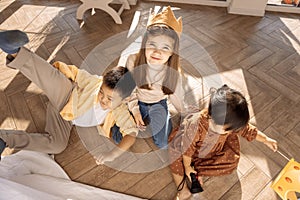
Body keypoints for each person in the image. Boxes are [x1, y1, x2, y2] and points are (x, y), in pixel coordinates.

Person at [0, 30, 137, 164]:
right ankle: (13, 50)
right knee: (54, 80)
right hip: (68, 96)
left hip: (66, 119)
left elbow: (131, 135)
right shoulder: (95, 82)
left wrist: (112, 155)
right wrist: (61, 72)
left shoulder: (120, 111)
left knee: (57, 146)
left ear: (124, 100)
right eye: (102, 92)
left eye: (110, 99)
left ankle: (4, 139)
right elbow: (78, 74)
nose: (103, 99)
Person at [168, 84, 278, 200]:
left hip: (212, 149)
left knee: (231, 162)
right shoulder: (195, 126)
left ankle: (197, 172)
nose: (232, 132)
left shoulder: (227, 123)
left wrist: (266, 139)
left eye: (232, 129)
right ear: (211, 118)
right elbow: (187, 149)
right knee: (175, 159)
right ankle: (183, 189)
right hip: (188, 149)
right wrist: (187, 166)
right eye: (228, 129)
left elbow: (248, 130)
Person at [126, 6, 186, 149]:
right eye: (152, 44)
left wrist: (184, 113)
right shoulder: (132, 61)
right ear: (144, 44)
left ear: (172, 52)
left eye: (165, 47)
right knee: (120, 136)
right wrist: (135, 111)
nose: (157, 52)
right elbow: (127, 91)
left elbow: (176, 96)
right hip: (136, 101)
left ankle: (162, 120)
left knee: (163, 143)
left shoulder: (173, 72)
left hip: (158, 103)